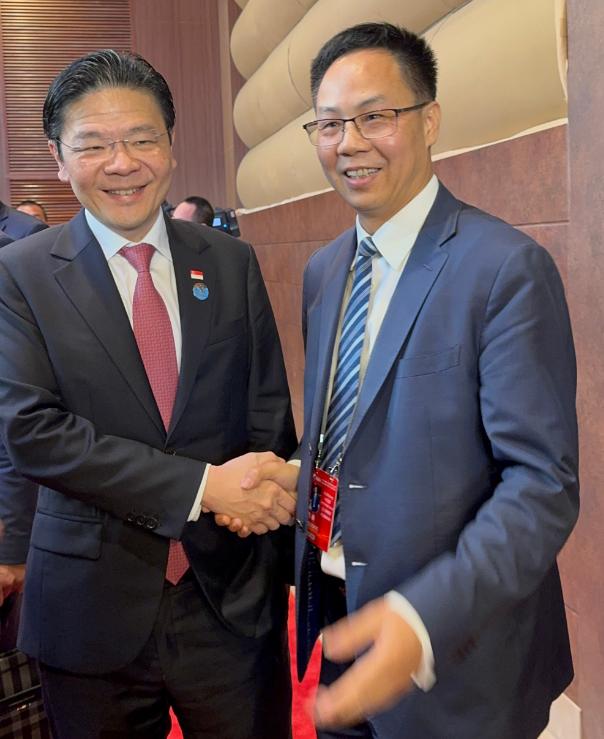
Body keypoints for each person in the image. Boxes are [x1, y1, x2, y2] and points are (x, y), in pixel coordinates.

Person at [224, 22, 579, 739]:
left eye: (375, 117)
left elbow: (541, 487)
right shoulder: (325, 271)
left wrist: (420, 622)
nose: (349, 143)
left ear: (429, 120)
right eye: (329, 125)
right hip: (340, 622)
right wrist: (297, 476)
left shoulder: (503, 269)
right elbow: (353, 428)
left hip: (456, 647)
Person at [0, 49, 297, 739]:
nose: (122, 163)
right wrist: (205, 488)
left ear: (170, 144)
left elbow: (265, 406)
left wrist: (266, 490)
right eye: (93, 145)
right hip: (88, 608)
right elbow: (34, 432)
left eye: (141, 138)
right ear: (58, 157)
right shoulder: (20, 274)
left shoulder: (229, 260)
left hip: (228, 595)